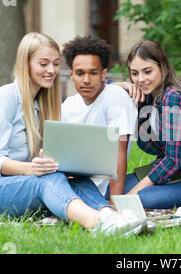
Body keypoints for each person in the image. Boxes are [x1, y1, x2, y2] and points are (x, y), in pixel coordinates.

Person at [0, 32, 145, 236]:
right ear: (26, 64)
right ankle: (97, 222)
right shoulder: (6, 97)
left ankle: (112, 217)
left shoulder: (45, 104)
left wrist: (114, 86)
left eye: (56, 64)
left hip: (16, 183)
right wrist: (35, 169)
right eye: (43, 64)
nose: (51, 70)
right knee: (46, 179)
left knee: (77, 179)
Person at [110, 40, 181, 209]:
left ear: (162, 67)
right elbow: (102, 90)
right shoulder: (149, 97)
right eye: (134, 73)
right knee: (110, 191)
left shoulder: (173, 98)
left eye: (147, 71)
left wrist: (131, 194)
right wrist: (122, 85)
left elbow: (172, 160)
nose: (140, 79)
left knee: (132, 201)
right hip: (170, 176)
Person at [60, 35, 138, 200]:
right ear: (71, 75)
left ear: (103, 74)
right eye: (80, 73)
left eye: (93, 73)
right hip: (76, 185)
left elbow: (119, 153)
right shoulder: (67, 105)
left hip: (108, 186)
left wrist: (114, 201)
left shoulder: (116, 97)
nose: (86, 80)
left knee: (148, 200)